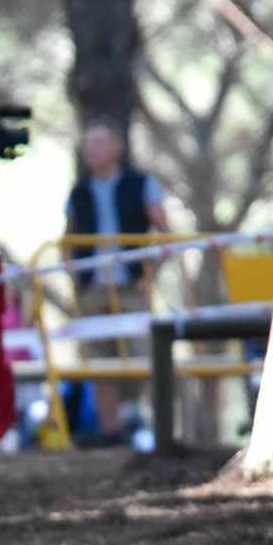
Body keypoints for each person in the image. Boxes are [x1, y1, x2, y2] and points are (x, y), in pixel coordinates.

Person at [63, 116, 169, 444]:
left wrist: (147, 277)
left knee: (142, 357)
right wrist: (75, 276)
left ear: (117, 147)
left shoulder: (140, 184)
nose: (91, 150)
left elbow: (165, 233)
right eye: (88, 144)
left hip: (130, 287)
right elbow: (67, 238)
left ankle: (149, 425)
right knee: (99, 362)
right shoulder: (79, 192)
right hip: (93, 288)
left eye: (99, 142)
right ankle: (112, 435)